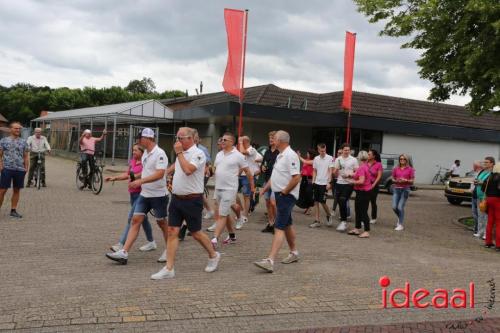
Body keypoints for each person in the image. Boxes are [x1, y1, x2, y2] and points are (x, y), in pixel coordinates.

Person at [151, 127, 220, 279]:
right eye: (177, 138)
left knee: (196, 233)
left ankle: (213, 255)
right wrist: (164, 174)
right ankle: (169, 268)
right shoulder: (181, 154)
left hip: (192, 200)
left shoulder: (198, 153)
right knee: (172, 232)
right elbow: (177, 166)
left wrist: (179, 153)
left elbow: (188, 170)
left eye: (180, 138)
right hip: (176, 199)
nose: (178, 141)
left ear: (191, 138)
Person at [105, 128, 168, 265]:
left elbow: (160, 174)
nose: (139, 140)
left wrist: (140, 181)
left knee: (161, 223)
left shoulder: (160, 153)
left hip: (158, 195)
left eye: (140, 138)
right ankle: (124, 253)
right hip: (145, 194)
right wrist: (129, 178)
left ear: (147, 138)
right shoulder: (145, 153)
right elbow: (145, 172)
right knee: (135, 220)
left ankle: (170, 249)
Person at [254, 130, 301, 273]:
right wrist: (265, 188)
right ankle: (294, 253)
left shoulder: (290, 155)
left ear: (281, 141)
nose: (272, 140)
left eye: (274, 138)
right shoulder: (280, 155)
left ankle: (270, 260)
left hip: (286, 196)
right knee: (287, 224)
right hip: (280, 194)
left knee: (279, 227)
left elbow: (297, 177)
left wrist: (285, 191)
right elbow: (275, 176)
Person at [105, 144, 156, 253]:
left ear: (142, 152)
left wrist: (135, 177)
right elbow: (127, 174)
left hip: (142, 194)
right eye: (133, 150)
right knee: (143, 219)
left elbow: (145, 175)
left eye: (136, 150)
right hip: (132, 194)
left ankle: (121, 244)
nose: (133, 152)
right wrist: (114, 178)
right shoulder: (133, 161)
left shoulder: (145, 163)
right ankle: (151, 242)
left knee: (131, 218)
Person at [211, 132, 254, 248]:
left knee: (222, 214)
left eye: (225, 140)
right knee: (225, 213)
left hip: (230, 188)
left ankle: (215, 238)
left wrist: (252, 186)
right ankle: (232, 235)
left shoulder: (238, 155)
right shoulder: (219, 154)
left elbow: (248, 172)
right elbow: (216, 169)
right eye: (222, 139)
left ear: (231, 142)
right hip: (218, 187)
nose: (222, 141)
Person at [0, 122, 29, 218]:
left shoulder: (23, 141)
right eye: (16, 128)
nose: (18, 130)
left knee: (16, 190)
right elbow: (0, 154)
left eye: (19, 129)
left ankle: (13, 210)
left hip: (20, 169)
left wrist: (26, 168)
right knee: (2, 190)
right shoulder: (3, 141)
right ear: (10, 129)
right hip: (7, 168)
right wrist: (1, 165)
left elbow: (25, 156)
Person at [332, 143, 358, 232]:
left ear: (350, 151)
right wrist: (335, 171)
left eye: (348, 150)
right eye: (345, 150)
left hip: (349, 183)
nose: (346, 151)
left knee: (343, 200)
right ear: (342, 150)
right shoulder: (338, 159)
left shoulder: (354, 160)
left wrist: (350, 175)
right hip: (339, 183)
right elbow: (335, 173)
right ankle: (344, 221)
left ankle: (344, 221)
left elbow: (357, 172)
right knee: (340, 202)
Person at [347, 151, 372, 238]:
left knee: (363, 211)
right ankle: (357, 228)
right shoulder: (365, 166)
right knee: (358, 210)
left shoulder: (362, 167)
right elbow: (358, 175)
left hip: (363, 192)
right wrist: (350, 175)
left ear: (359, 158)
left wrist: (352, 182)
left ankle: (366, 231)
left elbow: (361, 181)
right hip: (362, 192)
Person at [309, 143, 334, 228]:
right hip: (317, 182)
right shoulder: (316, 159)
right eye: (321, 151)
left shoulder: (330, 158)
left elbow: (330, 171)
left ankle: (329, 215)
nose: (323, 152)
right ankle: (317, 220)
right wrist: (313, 180)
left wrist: (329, 182)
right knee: (316, 201)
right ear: (318, 150)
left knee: (323, 202)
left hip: (324, 183)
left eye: (324, 150)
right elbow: (314, 170)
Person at [236, 135, 258, 229]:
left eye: (242, 142)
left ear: (245, 142)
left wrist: (240, 142)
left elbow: (243, 152)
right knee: (233, 194)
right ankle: (241, 210)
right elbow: (242, 163)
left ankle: (244, 215)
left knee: (246, 196)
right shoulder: (243, 149)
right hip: (241, 175)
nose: (240, 143)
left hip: (248, 176)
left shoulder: (252, 149)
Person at [193, 130, 215, 220]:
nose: (196, 139)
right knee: (198, 193)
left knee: (198, 192)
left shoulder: (202, 149)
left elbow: (208, 161)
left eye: (197, 138)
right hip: (193, 174)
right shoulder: (187, 148)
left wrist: (207, 170)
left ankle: (206, 210)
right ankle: (209, 210)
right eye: (194, 137)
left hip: (202, 174)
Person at [261, 131, 279, 233]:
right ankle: (271, 223)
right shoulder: (267, 152)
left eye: (272, 138)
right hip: (267, 180)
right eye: (270, 138)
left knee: (273, 203)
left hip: (276, 181)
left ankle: (277, 224)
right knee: (268, 202)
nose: (271, 140)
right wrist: (262, 166)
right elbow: (264, 163)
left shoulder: (280, 153)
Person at [391, 154, 415, 231]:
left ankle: (400, 224)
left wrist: (406, 180)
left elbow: (412, 181)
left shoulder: (410, 169)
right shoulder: (395, 168)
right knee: (394, 207)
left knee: (400, 207)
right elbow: (392, 178)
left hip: (405, 190)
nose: (402, 160)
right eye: (401, 159)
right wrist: (396, 180)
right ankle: (400, 217)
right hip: (396, 189)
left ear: (407, 160)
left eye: (404, 159)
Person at [474, 157, 495, 239]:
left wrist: (480, 182)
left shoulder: (493, 173)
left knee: (487, 216)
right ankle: (480, 232)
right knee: (480, 215)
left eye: (487, 162)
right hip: (479, 196)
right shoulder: (483, 171)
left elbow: (490, 183)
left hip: (486, 196)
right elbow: (479, 180)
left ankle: (487, 233)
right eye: (484, 162)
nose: (485, 163)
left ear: (492, 163)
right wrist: (476, 181)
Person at [483, 162, 500, 250]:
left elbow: (483, 188)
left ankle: (488, 242)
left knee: (490, 221)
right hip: (498, 200)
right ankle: (498, 245)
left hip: (489, 199)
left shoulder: (490, 177)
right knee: (499, 223)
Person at [367, 149, 383, 224]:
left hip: (374, 185)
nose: (368, 155)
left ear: (374, 156)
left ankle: (374, 217)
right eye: (368, 154)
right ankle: (365, 217)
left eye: (369, 154)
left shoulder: (378, 164)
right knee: (365, 201)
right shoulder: (365, 163)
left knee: (373, 201)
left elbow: (379, 176)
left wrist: (374, 184)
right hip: (365, 185)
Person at [471, 161, 483, 235]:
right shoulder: (475, 173)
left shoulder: (481, 174)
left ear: (477, 166)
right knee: (474, 213)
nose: (473, 167)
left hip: (479, 196)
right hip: (474, 195)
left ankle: (478, 229)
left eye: (474, 166)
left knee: (478, 214)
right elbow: (473, 183)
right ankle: (476, 227)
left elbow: (477, 182)